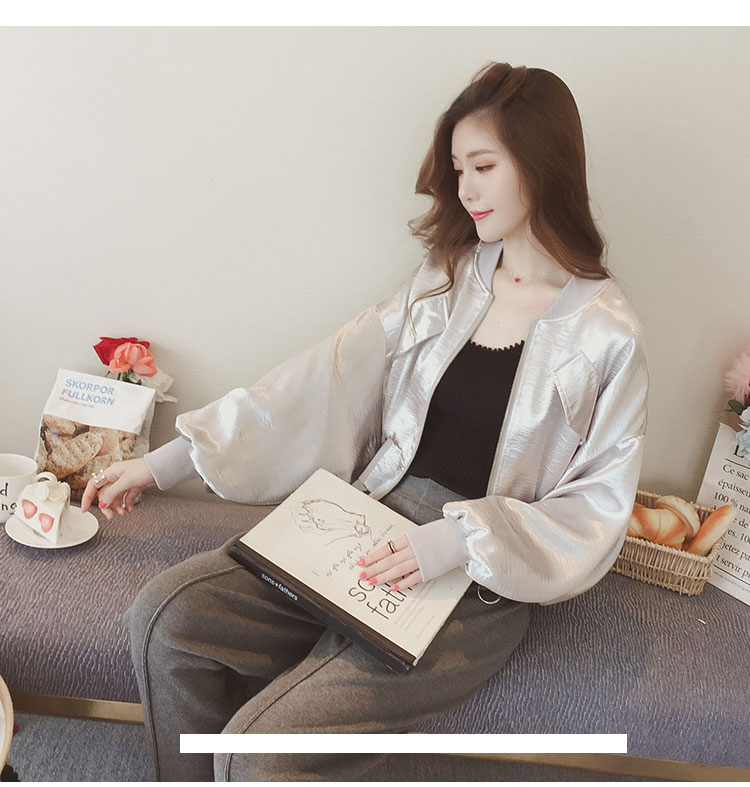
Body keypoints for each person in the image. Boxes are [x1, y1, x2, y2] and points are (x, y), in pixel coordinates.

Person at [81, 61, 649, 781]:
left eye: (483, 166)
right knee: (165, 619)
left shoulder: (607, 335)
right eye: (458, 169)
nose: (466, 189)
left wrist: (459, 539)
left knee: (260, 751)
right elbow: (326, 373)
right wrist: (166, 462)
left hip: (476, 579)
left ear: (543, 165)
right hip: (366, 523)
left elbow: (596, 505)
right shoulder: (447, 278)